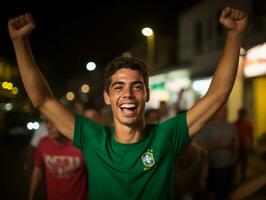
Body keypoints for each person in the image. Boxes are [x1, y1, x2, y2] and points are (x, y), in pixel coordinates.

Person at [8, 7, 247, 200]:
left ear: (147, 94)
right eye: (118, 87)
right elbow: (43, 99)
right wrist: (20, 42)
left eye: (136, 86)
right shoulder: (92, 138)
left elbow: (217, 95)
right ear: (107, 97)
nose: (128, 94)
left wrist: (234, 35)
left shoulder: (167, 134)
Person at [28, 118, 88, 200]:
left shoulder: (79, 145)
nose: (49, 127)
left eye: (54, 122)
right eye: (47, 122)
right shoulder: (43, 143)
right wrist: (31, 196)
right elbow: (37, 171)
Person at [194, 106, 239, 200]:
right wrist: (217, 145)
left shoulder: (231, 126)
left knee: (226, 192)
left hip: (227, 166)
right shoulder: (207, 127)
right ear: (216, 111)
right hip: (211, 167)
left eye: (227, 110)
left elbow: (236, 145)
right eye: (223, 110)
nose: (226, 112)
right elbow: (198, 146)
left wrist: (234, 159)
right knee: (212, 194)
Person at [234, 108, 253, 182]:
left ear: (245, 115)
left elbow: (250, 134)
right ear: (238, 114)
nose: (241, 116)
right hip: (237, 146)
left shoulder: (248, 124)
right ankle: (235, 177)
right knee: (236, 162)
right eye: (240, 114)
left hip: (245, 146)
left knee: (244, 163)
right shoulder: (235, 124)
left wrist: (251, 144)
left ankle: (243, 177)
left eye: (243, 114)